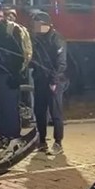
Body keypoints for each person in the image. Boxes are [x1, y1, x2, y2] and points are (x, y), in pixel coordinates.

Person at [0, 0, 27, 153]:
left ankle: (14, 137)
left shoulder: (10, 30)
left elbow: (19, 54)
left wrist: (16, 74)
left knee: (9, 107)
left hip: (7, 76)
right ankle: (3, 136)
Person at [30, 11, 66, 154]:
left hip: (54, 82)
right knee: (39, 111)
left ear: (47, 25)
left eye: (38, 25)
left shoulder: (57, 39)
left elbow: (61, 63)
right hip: (40, 80)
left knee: (55, 112)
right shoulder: (36, 39)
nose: (36, 28)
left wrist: (54, 81)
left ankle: (58, 143)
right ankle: (42, 141)